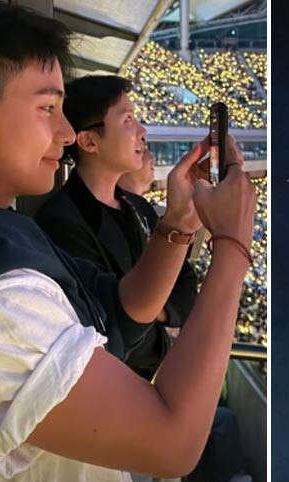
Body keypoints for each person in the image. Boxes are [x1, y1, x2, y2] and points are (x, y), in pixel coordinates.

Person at [0, 2, 256, 482]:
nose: (65, 135)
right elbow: (170, 439)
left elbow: (121, 305)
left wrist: (178, 222)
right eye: (47, 107)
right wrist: (233, 245)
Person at [34, 76, 198, 381]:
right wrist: (160, 318)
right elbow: (112, 333)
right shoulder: (62, 223)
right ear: (89, 142)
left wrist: (151, 308)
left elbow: (187, 283)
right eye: (128, 120)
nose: (142, 131)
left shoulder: (141, 208)